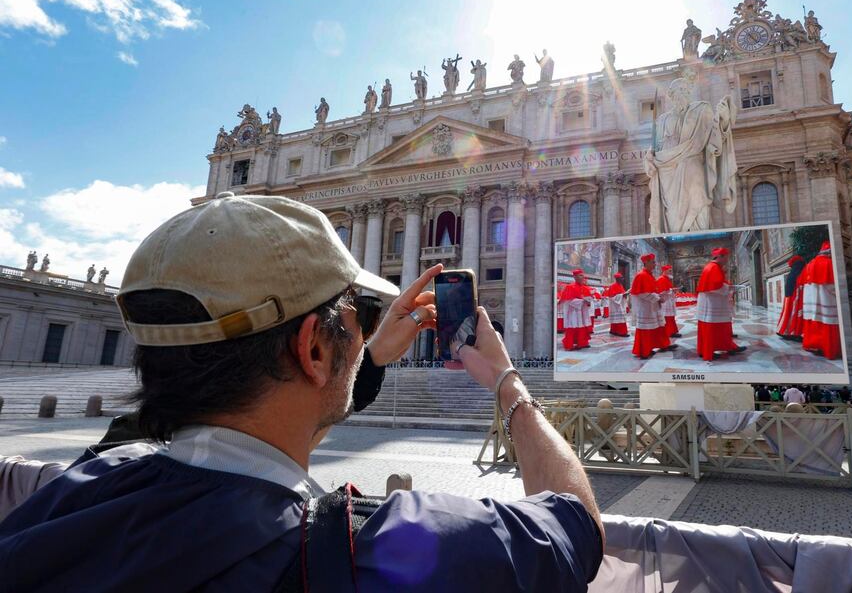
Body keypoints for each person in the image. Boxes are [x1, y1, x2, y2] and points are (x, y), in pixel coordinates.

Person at [0, 194, 604, 592]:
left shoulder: (64, 500)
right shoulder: (379, 550)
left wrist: (362, 356)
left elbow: (156, 430)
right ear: (314, 349)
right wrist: (508, 382)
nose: (366, 328)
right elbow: (576, 526)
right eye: (358, 317)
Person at [695, 248, 744, 361]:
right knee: (713, 327)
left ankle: (725, 347)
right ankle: (709, 351)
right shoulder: (713, 267)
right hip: (712, 303)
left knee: (720, 326)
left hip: (712, 302)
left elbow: (716, 284)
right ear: (720, 256)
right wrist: (729, 288)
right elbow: (714, 286)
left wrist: (728, 287)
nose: (727, 260)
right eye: (726, 257)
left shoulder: (712, 267)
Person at [630, 254, 675, 360]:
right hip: (645, 308)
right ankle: (644, 350)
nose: (655, 264)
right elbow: (642, 293)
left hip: (652, 306)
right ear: (646, 263)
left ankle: (663, 345)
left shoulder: (649, 275)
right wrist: (658, 298)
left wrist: (659, 297)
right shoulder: (641, 275)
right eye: (653, 262)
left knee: (659, 326)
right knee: (647, 328)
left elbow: (652, 290)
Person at [801, 241, 841, 359]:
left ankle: (814, 346)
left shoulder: (810, 264)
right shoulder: (830, 263)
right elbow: (833, 287)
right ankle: (829, 349)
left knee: (814, 321)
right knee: (827, 322)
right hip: (826, 300)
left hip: (811, 304)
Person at [559, 269, 593, 351]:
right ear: (575, 277)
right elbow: (569, 300)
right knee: (572, 326)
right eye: (580, 275)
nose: (583, 277)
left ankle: (582, 343)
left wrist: (588, 301)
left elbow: (588, 299)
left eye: (583, 275)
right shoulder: (570, 287)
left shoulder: (585, 288)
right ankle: (569, 345)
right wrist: (582, 301)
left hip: (582, 311)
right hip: (573, 311)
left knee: (583, 326)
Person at [776, 255, 805, 340]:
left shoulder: (791, 272)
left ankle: (786, 331)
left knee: (787, 313)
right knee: (794, 314)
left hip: (788, 297)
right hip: (795, 297)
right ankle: (794, 332)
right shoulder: (799, 271)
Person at [655, 264, 680, 338]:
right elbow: (661, 291)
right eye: (669, 271)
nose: (670, 272)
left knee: (671, 317)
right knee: (667, 317)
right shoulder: (661, 279)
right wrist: (672, 290)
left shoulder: (667, 279)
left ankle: (673, 331)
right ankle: (668, 332)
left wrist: (672, 290)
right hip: (665, 301)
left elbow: (668, 289)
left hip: (669, 300)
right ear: (665, 271)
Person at [603, 272, 629, 337]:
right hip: (615, 305)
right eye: (621, 278)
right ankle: (622, 332)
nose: (622, 279)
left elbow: (622, 294)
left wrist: (625, 295)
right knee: (620, 318)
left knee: (616, 319)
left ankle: (614, 330)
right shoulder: (612, 286)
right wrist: (623, 295)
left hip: (620, 304)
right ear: (617, 279)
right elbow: (612, 297)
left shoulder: (621, 286)